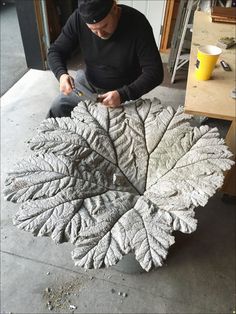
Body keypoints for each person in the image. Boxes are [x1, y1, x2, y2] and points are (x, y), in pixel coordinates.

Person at [47, 0, 164, 118]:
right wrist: (61, 74)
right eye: (93, 30)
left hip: (124, 90)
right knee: (57, 108)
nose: (100, 34)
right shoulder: (78, 18)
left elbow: (155, 72)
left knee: (121, 130)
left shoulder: (137, 22)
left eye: (104, 26)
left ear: (114, 8)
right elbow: (55, 51)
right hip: (88, 85)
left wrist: (123, 94)